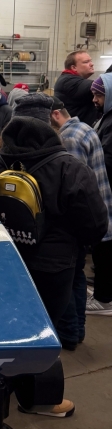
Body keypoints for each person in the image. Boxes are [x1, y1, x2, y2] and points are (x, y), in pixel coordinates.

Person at [0, 116, 108, 417]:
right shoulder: (69, 168)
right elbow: (95, 223)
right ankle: (40, 400)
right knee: (41, 333)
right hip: (52, 266)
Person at [50, 98, 112, 338]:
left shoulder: (69, 139)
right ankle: (77, 329)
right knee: (75, 276)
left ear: (55, 115)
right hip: (97, 210)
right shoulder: (84, 127)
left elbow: (74, 188)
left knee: (71, 276)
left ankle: (71, 332)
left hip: (80, 220)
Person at [88, 74, 112, 314]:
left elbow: (107, 158)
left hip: (108, 191)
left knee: (106, 245)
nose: (95, 99)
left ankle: (105, 299)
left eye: (99, 95)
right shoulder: (105, 117)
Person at [54, 50, 98, 125]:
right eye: (86, 62)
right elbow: (101, 85)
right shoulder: (68, 81)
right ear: (74, 67)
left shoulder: (69, 79)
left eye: (91, 61)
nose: (92, 64)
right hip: (77, 132)